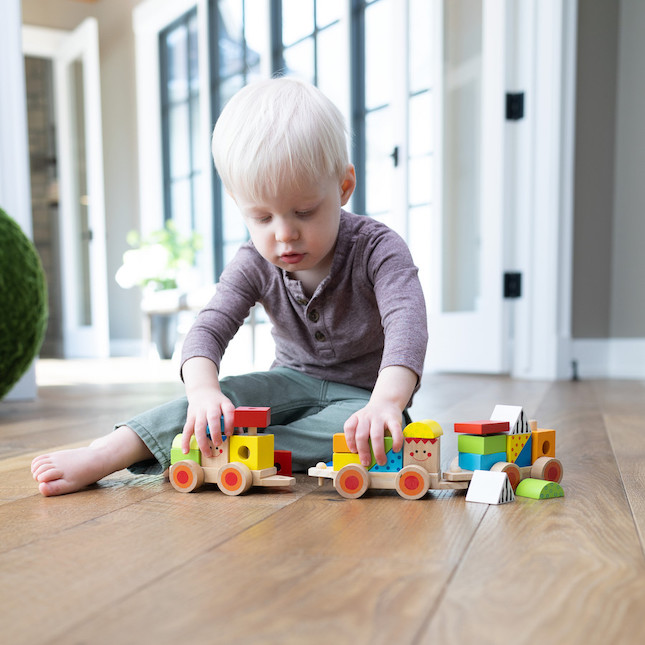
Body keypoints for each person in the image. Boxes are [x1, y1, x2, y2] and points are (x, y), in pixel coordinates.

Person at [31, 77, 428, 497]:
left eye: (304, 211)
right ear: (239, 206)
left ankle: (224, 451)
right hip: (290, 380)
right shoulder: (254, 260)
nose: (284, 234)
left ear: (344, 187)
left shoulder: (378, 248)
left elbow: (408, 323)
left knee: (365, 441)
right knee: (225, 400)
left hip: (364, 398)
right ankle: (111, 452)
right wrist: (204, 392)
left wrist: (385, 401)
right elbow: (208, 329)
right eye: (261, 218)